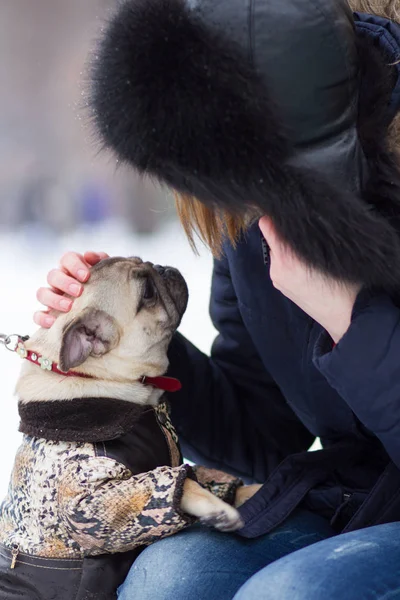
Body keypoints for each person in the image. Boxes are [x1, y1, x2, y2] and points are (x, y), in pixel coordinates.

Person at [34, 0, 400, 598]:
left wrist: (350, 319)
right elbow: (260, 434)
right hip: (352, 497)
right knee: (166, 580)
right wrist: (133, 346)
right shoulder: (256, 223)